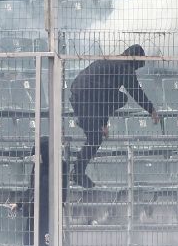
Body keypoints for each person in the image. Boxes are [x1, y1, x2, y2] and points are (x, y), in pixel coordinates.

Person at [68, 45, 158, 188]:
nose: (135, 71)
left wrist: (103, 123)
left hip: (81, 95)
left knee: (96, 135)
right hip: (87, 97)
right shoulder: (125, 67)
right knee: (97, 134)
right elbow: (135, 91)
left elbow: (105, 98)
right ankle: (77, 172)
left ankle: (84, 122)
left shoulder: (111, 61)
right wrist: (151, 109)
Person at [14, 137, 74, 246]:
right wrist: (19, 203)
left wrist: (57, 209)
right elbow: (31, 188)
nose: (35, 157)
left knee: (45, 245)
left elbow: (62, 191)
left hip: (48, 213)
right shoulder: (37, 166)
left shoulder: (60, 166)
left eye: (38, 153)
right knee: (29, 244)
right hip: (33, 211)